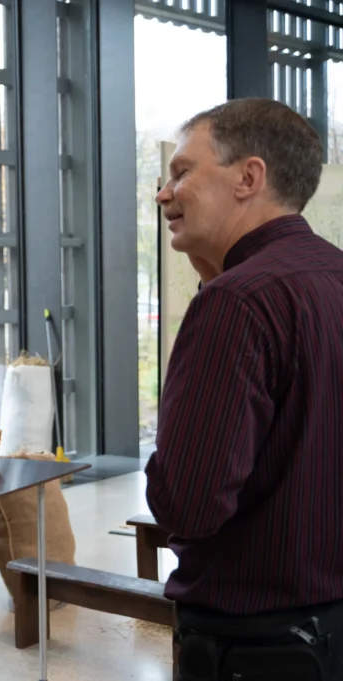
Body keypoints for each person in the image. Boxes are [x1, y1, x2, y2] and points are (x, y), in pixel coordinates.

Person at [146, 97, 343, 680]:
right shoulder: (331, 274)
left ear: (248, 178)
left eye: (182, 172)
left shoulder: (237, 302)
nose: (163, 194)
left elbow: (187, 504)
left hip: (259, 647)